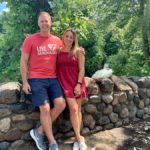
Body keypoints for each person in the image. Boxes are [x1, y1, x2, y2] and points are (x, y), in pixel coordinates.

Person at [20, 11, 66, 150]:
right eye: (42, 21)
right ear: (38, 23)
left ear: (50, 22)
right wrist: (25, 81)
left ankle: (39, 131)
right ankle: (52, 142)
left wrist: (78, 51)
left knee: (61, 104)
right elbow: (23, 61)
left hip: (53, 79)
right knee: (45, 109)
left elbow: (67, 53)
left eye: (47, 21)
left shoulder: (57, 40)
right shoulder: (30, 40)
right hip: (36, 79)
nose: (44, 23)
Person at [57, 28, 87, 150]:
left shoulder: (78, 51)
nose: (69, 38)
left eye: (71, 37)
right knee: (74, 110)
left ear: (74, 39)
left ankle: (77, 138)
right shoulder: (58, 51)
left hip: (76, 83)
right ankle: (80, 139)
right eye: (67, 36)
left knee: (78, 110)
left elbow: (82, 69)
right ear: (63, 37)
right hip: (65, 84)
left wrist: (79, 84)